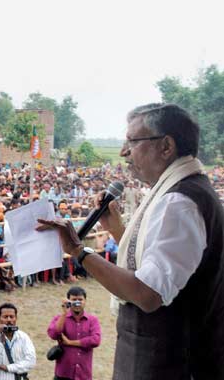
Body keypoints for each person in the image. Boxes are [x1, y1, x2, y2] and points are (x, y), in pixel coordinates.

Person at [37, 103, 224, 379]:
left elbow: (148, 293)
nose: (124, 152)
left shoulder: (179, 202)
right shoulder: (178, 191)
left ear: (166, 146)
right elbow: (159, 266)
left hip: (170, 362)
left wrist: (79, 251)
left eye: (132, 141)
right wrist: (118, 231)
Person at [46, 287, 101, 380]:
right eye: (74, 300)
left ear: (85, 301)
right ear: (68, 301)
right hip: (63, 373)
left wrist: (70, 342)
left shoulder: (93, 320)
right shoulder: (60, 318)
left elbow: (95, 340)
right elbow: (53, 334)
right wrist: (64, 314)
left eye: (80, 299)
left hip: (83, 374)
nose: (77, 303)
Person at [0, 302, 36, 380]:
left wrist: (8, 368)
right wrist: (1, 341)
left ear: (16, 318)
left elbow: (31, 362)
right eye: (5, 317)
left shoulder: (23, 337)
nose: (9, 320)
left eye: (12, 317)